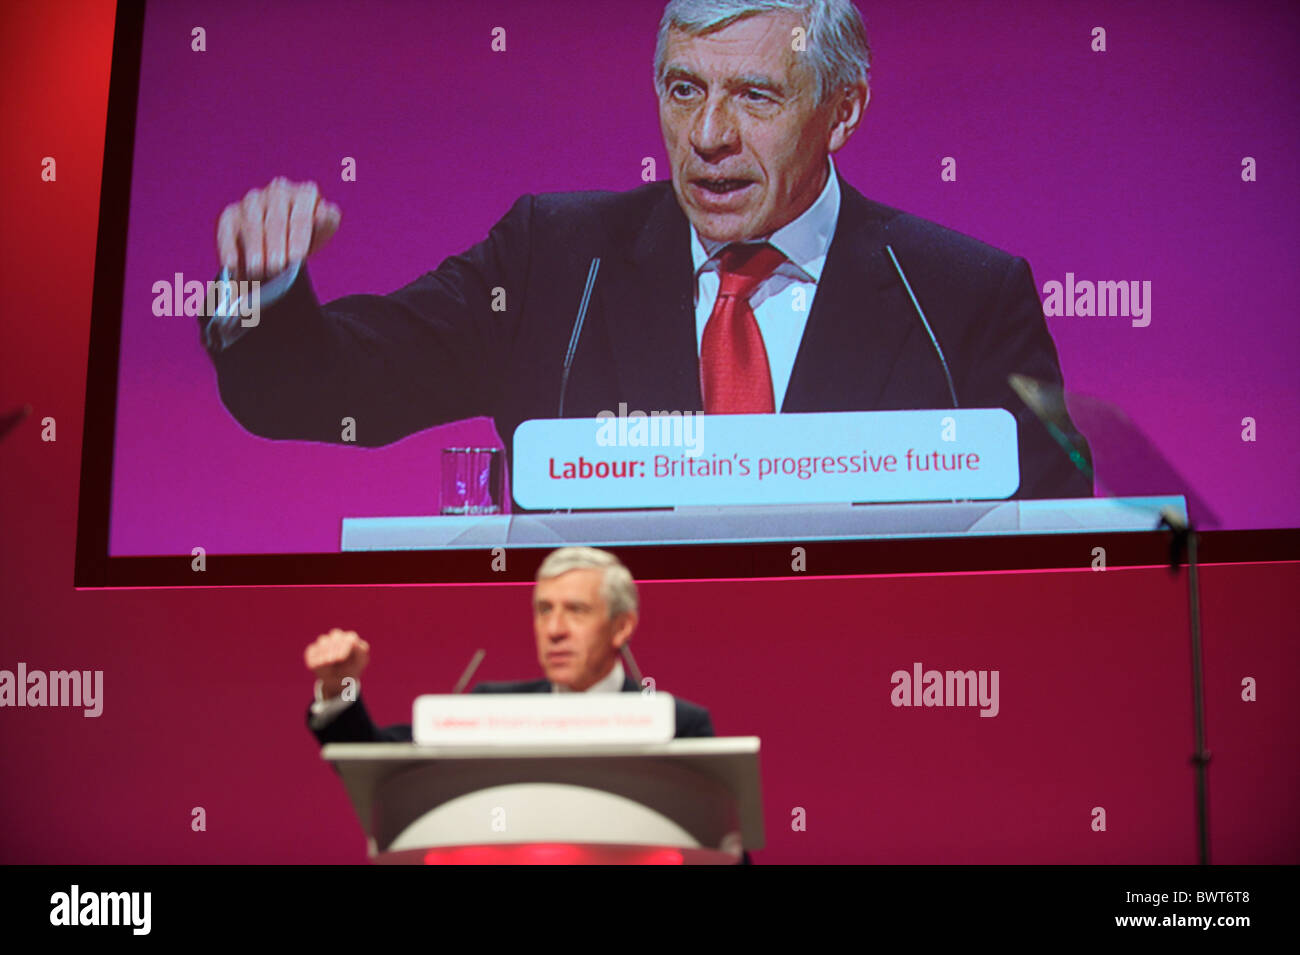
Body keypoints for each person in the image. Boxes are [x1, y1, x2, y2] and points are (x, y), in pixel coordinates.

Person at [203, 0, 1092, 502]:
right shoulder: (553, 261)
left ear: (844, 110)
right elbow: (321, 388)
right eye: (682, 89)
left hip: (876, 720)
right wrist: (261, 291)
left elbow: (1063, 531)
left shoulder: (965, 295)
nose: (708, 135)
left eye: (754, 95)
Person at [304, 547, 715, 743]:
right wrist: (339, 688)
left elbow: (724, 850)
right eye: (543, 610)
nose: (554, 629)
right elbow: (380, 762)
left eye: (575, 610)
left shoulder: (676, 725)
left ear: (622, 626)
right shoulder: (490, 711)